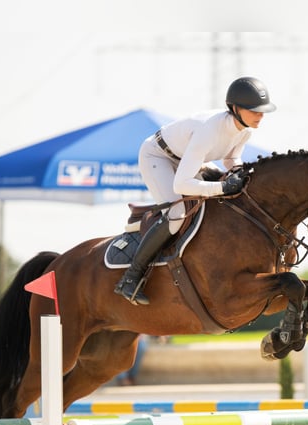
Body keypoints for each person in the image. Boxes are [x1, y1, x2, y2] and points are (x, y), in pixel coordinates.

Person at [114, 76, 276, 305]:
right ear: (236, 108)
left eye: (262, 110)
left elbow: (231, 158)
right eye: (255, 110)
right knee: (177, 215)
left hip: (187, 158)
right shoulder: (209, 131)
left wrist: (240, 172)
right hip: (157, 156)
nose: (261, 115)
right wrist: (221, 187)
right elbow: (181, 185)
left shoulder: (245, 130)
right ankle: (130, 278)